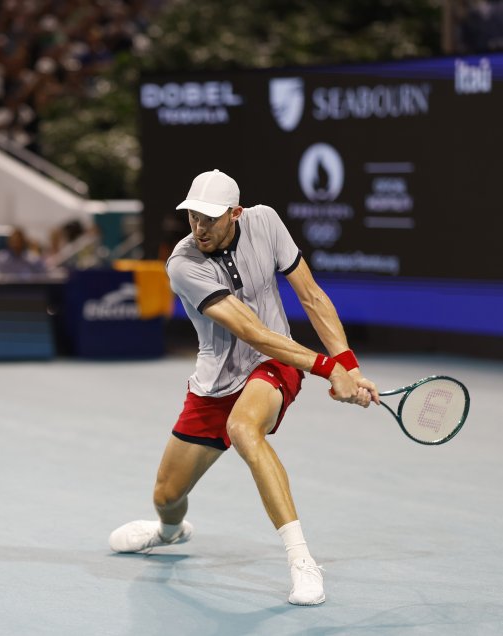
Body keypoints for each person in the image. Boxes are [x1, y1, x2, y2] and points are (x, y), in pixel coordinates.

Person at [108, 169, 379, 606]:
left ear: (236, 213)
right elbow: (249, 330)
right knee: (166, 496)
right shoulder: (182, 264)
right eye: (193, 217)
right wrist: (330, 369)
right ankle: (168, 532)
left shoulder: (266, 222)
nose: (199, 227)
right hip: (216, 380)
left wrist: (349, 364)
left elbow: (309, 295)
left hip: (276, 363)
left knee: (243, 429)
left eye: (210, 219)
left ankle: (302, 561)